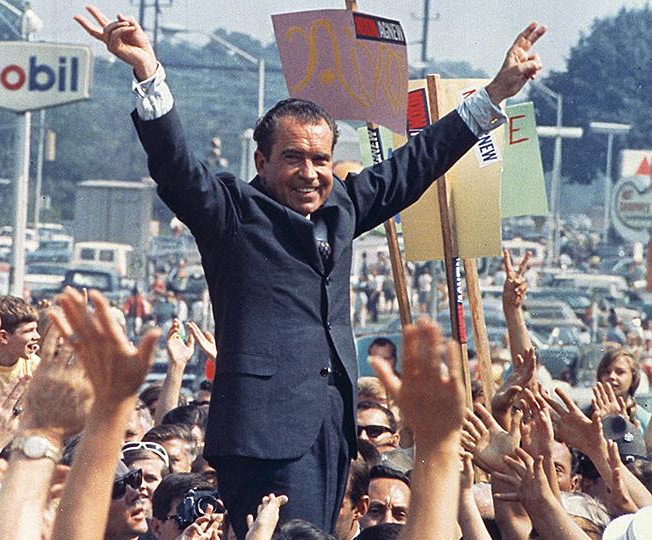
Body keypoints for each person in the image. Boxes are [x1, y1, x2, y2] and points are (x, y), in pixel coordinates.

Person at [74, 6, 546, 535]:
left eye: (321, 160)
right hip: (262, 434)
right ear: (262, 161)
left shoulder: (341, 206)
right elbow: (177, 167)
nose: (310, 174)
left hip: (331, 425)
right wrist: (148, 73)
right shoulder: (231, 213)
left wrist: (494, 95)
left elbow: (415, 165)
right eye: (294, 158)